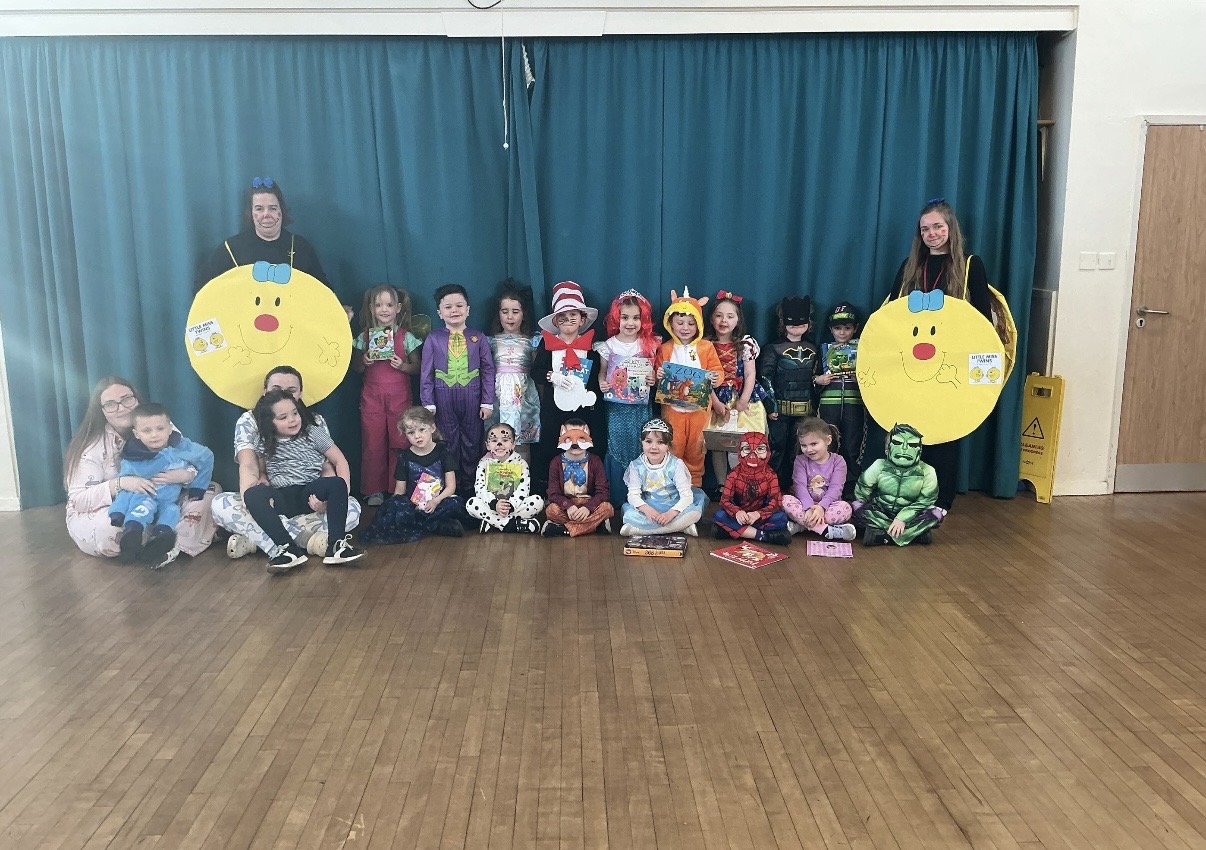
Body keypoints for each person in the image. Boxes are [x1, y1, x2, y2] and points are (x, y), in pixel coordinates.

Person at [887, 198, 992, 521]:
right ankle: (907, 495)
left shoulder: (971, 265)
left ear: (950, 228)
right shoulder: (910, 267)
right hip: (914, 365)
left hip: (950, 366)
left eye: (937, 227)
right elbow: (891, 314)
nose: (931, 234)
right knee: (911, 431)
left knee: (945, 433)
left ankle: (941, 500)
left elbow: (982, 321)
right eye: (925, 229)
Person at [64, 376, 219, 568]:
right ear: (101, 410)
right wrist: (121, 484)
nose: (121, 408)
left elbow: (192, 459)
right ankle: (163, 539)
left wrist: (186, 475)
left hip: (165, 497)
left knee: (211, 491)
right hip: (118, 506)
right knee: (111, 530)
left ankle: (165, 542)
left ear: (136, 399)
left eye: (127, 399)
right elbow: (78, 500)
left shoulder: (157, 424)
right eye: (111, 404)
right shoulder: (91, 448)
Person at [212, 365, 363, 560]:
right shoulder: (256, 428)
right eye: (276, 390)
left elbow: (330, 464)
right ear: (265, 392)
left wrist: (329, 501)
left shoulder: (314, 425)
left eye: (291, 391)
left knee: (351, 507)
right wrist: (257, 501)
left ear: (300, 394)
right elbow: (251, 465)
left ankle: (261, 541)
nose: (291, 419)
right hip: (278, 498)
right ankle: (306, 543)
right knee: (221, 503)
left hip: (310, 497)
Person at [242, 390, 365, 572]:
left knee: (337, 483)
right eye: (283, 417)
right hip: (281, 495)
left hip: (308, 492)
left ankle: (336, 546)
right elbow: (261, 471)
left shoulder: (313, 432)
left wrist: (339, 497)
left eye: (295, 413)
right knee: (251, 494)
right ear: (270, 422)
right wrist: (262, 480)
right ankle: (288, 549)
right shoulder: (264, 439)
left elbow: (339, 460)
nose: (292, 420)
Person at [109, 402, 215, 565]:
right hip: (144, 496)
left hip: (169, 499)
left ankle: (161, 538)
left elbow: (205, 456)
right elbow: (125, 487)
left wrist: (196, 487)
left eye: (160, 429)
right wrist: (118, 512)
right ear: (136, 434)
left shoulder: (180, 447)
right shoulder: (132, 454)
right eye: (147, 431)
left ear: (170, 428)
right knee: (141, 509)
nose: (154, 435)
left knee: (172, 511)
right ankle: (132, 537)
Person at [420, 284, 495, 500]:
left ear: (468, 309)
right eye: (448, 306)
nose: (454, 310)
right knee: (448, 441)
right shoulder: (433, 338)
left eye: (459, 305)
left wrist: (487, 401)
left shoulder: (478, 337)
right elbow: (426, 373)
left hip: (472, 394)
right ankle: (450, 488)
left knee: (473, 440)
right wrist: (428, 402)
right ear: (439, 312)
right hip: (443, 395)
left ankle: (471, 487)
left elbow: (488, 370)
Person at [531, 281, 606, 494]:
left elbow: (596, 377)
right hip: (554, 410)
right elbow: (535, 372)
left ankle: (587, 490)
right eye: (562, 317)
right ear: (555, 321)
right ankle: (552, 492)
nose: (568, 320)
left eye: (573, 315)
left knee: (586, 444)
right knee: (551, 445)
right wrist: (552, 376)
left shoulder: (593, 346)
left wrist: (593, 396)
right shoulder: (547, 345)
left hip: (584, 409)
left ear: (583, 319)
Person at [353, 284, 421, 506]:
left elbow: (418, 368)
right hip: (372, 398)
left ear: (398, 308)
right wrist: (363, 361)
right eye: (379, 305)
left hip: (400, 398)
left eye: (389, 305)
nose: (384, 309)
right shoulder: (364, 338)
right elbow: (354, 368)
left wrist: (402, 366)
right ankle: (374, 490)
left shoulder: (406, 337)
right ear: (371, 308)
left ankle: (398, 488)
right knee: (372, 443)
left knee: (401, 441)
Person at [194, 177, 327, 288]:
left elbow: (322, 291)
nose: (266, 214)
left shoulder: (301, 247)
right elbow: (204, 291)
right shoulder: (231, 249)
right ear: (251, 213)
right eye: (259, 209)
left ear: (281, 211)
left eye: (272, 208)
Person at [361, 406, 466, 544]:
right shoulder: (405, 457)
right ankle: (435, 525)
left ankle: (423, 523)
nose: (417, 436)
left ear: (432, 428)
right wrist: (406, 506)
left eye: (422, 430)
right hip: (414, 506)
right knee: (396, 506)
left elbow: (451, 487)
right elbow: (400, 491)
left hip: (438, 502)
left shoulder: (443, 453)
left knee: (456, 503)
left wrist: (435, 501)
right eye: (411, 432)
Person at [594, 289, 659, 509]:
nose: (630, 323)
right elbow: (603, 372)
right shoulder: (609, 346)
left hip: (640, 407)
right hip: (617, 407)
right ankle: (618, 496)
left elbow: (655, 374)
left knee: (640, 443)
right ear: (616, 318)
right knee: (617, 444)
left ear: (643, 320)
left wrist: (652, 379)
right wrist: (602, 382)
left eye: (636, 317)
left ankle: (641, 496)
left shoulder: (649, 344)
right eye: (625, 317)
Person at [654, 289, 723, 488]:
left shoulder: (706, 347)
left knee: (696, 447)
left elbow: (716, 372)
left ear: (699, 324)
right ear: (670, 323)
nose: (685, 328)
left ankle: (694, 485)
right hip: (672, 411)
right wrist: (659, 375)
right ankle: (670, 485)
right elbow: (659, 376)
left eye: (691, 323)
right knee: (673, 445)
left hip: (699, 411)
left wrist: (716, 377)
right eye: (680, 322)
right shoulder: (665, 348)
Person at [705, 289, 767, 488]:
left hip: (742, 398)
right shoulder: (705, 345)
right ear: (712, 319)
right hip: (717, 398)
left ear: (738, 320)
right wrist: (714, 402)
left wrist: (743, 400)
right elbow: (703, 378)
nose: (724, 321)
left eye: (730, 316)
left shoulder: (745, 344)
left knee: (742, 443)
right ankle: (723, 485)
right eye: (719, 315)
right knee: (717, 443)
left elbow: (750, 374)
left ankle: (740, 483)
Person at [757, 296, 819, 488]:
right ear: (784, 323)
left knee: (800, 450)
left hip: (805, 411)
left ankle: (797, 485)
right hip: (780, 410)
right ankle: (772, 486)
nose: (797, 327)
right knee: (776, 448)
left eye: (802, 324)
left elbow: (814, 379)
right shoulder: (773, 348)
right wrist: (771, 406)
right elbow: (765, 378)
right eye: (792, 324)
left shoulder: (813, 348)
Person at [852, 423, 941, 547]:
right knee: (856, 507)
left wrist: (902, 518)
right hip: (882, 512)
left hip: (911, 515)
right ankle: (913, 534)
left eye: (912, 445)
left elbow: (926, 500)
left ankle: (884, 536)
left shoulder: (927, 471)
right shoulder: (878, 466)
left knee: (936, 514)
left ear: (919, 450)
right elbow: (862, 491)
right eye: (898, 444)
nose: (904, 450)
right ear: (887, 449)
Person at [619, 418, 706, 537]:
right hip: (649, 507)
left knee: (694, 512)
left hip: (673, 506)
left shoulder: (676, 465)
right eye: (649, 441)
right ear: (641, 442)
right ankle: (680, 527)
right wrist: (647, 510)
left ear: (669, 445)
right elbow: (633, 495)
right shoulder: (636, 466)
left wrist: (670, 514)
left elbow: (686, 496)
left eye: (660, 442)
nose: (654, 447)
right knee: (628, 513)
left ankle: (640, 530)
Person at [814, 302, 865, 499]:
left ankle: (850, 489)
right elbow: (812, 376)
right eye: (837, 328)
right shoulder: (823, 349)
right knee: (828, 445)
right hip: (828, 405)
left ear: (855, 328)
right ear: (830, 329)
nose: (842, 332)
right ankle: (823, 485)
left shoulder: (864, 348)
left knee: (852, 446)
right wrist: (818, 380)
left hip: (855, 404)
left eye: (847, 328)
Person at [485, 279, 541, 454]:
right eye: (505, 311)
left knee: (521, 440)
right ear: (498, 314)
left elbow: (537, 370)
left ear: (523, 314)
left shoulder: (533, 341)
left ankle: (523, 479)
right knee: (496, 441)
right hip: (497, 396)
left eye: (515, 311)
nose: (510, 317)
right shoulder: (490, 341)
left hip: (523, 395)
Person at [710, 431, 792, 546]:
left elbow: (776, 502)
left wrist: (758, 514)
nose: (753, 455)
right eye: (747, 449)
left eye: (760, 449)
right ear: (739, 451)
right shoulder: (733, 474)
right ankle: (761, 535)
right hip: (738, 517)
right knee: (719, 515)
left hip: (760, 517)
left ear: (767, 451)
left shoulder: (770, 474)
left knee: (781, 518)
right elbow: (725, 500)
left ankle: (737, 532)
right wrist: (737, 512)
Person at [781, 417, 856, 542]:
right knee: (784, 500)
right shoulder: (800, 460)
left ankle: (801, 527)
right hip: (805, 506)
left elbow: (836, 488)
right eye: (804, 445)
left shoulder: (838, 461)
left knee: (846, 508)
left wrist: (821, 507)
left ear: (828, 440)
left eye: (814, 444)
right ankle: (827, 530)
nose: (808, 449)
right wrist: (809, 507)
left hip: (829, 506)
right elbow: (800, 487)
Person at [465, 423, 544, 534]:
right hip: (491, 506)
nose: (499, 444)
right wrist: (494, 504)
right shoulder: (484, 463)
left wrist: (510, 505)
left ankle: (493, 523)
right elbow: (480, 488)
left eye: (505, 440)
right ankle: (511, 525)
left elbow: (523, 489)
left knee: (537, 501)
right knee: (471, 503)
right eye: (494, 440)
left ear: (513, 444)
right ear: (487, 445)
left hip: (514, 507)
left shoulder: (521, 464)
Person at [542, 420, 613, 538]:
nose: (575, 443)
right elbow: (553, 493)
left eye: (581, 437)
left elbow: (603, 492)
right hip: (566, 506)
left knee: (607, 508)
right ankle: (594, 525)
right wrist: (568, 506)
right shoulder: (556, 462)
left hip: (589, 504)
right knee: (551, 510)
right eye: (569, 438)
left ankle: (564, 529)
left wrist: (588, 508)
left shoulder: (595, 461)